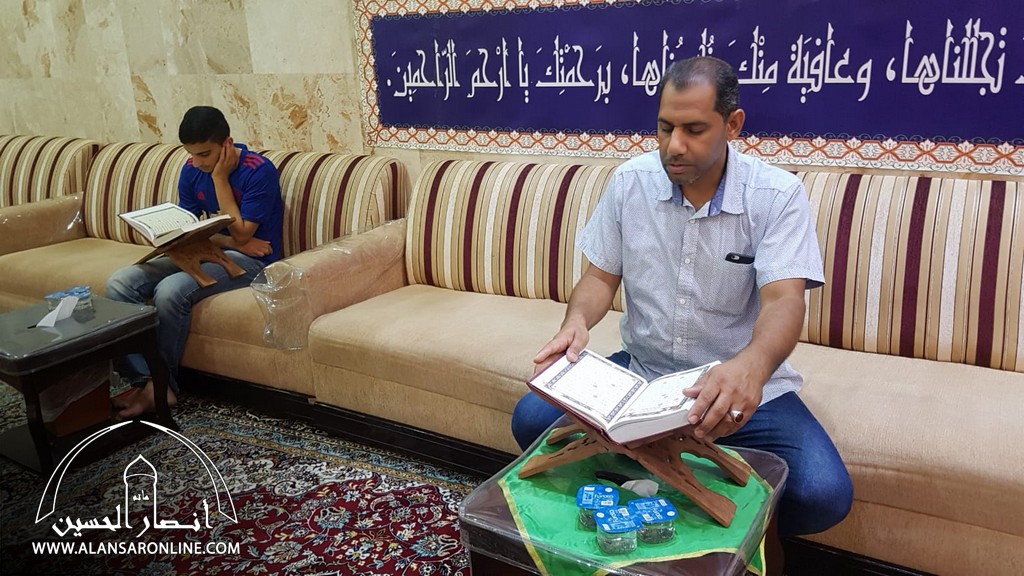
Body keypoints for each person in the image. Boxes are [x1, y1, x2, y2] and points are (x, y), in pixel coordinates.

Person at [511, 57, 852, 538]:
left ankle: (654, 479)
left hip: (732, 385)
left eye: (694, 130)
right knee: (530, 420)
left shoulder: (776, 195)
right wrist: (575, 323)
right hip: (641, 374)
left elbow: (784, 301)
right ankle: (662, 489)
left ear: (732, 124)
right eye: (665, 127)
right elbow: (599, 278)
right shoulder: (630, 182)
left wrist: (752, 368)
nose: (674, 145)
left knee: (822, 493)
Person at [106, 106, 284, 419]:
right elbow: (187, 228)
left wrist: (220, 178)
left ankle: (161, 387)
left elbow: (243, 234)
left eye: (205, 154)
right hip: (210, 249)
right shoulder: (191, 169)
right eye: (191, 154)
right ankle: (145, 380)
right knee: (120, 282)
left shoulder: (259, 170)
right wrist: (226, 241)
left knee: (170, 291)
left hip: (254, 262)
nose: (198, 163)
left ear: (227, 144)